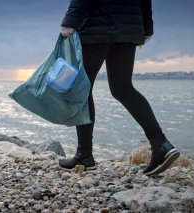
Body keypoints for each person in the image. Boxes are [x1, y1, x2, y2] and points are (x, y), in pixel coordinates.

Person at [58, 0, 180, 176]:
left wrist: (70, 21)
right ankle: (161, 143)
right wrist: (146, 27)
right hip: (129, 26)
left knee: (82, 90)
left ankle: (84, 156)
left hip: (96, 25)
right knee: (122, 88)